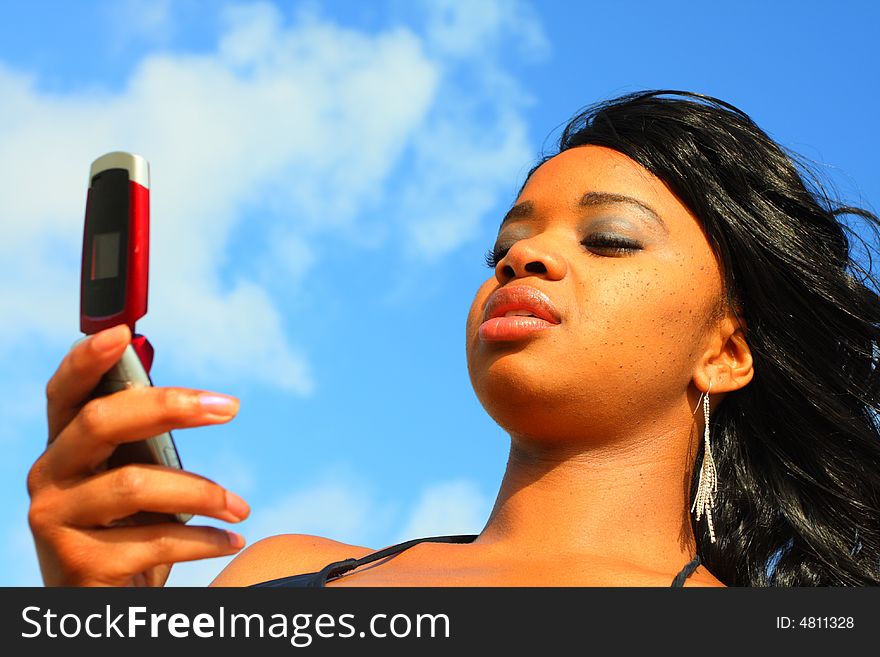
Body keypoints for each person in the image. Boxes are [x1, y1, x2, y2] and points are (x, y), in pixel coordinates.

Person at [27, 90, 880, 587]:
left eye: (609, 238)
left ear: (726, 352)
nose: (524, 259)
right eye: (505, 249)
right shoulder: (269, 581)